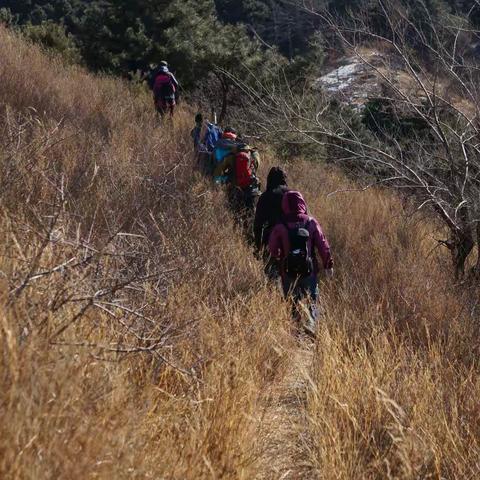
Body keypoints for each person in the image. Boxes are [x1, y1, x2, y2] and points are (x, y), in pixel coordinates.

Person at [269, 190, 333, 336]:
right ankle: (313, 328)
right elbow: (323, 245)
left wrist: (280, 256)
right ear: (302, 203)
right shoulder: (310, 222)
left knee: (292, 303)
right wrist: (328, 264)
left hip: (288, 273)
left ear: (285, 205)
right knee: (313, 301)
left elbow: (273, 249)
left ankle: (296, 332)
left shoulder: (280, 225)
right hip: (309, 271)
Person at [254, 167, 290, 278]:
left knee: (271, 276)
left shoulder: (265, 196)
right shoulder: (293, 194)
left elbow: (258, 225)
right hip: (292, 238)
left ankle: (274, 293)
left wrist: (258, 247)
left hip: (271, 240)